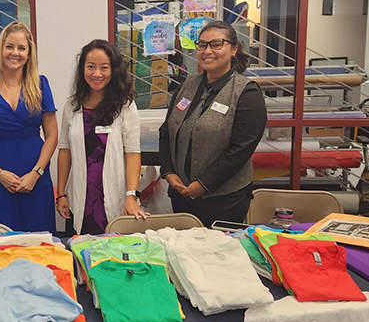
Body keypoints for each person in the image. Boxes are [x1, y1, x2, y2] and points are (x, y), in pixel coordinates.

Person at [158, 21, 266, 226]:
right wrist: (169, 172)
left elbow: (240, 150)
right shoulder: (187, 85)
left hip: (224, 201)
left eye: (216, 44)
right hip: (181, 196)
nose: (207, 51)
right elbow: (166, 131)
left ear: (234, 49)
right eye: (202, 45)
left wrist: (204, 184)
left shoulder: (246, 93)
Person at [0, 22, 58, 233]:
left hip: (35, 176)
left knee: (37, 241)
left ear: (29, 53)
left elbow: (52, 136)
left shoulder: (40, 85)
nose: (15, 53)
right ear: (1, 49)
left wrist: (36, 173)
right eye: (9, 46)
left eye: (21, 48)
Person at [56, 39, 148, 235]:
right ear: (82, 70)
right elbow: (65, 150)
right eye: (91, 67)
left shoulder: (125, 106)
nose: (97, 74)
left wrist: (131, 195)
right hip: (80, 197)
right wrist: (61, 193)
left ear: (113, 70)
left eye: (104, 68)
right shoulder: (72, 106)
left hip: (115, 195)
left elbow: (132, 154)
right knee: (82, 252)